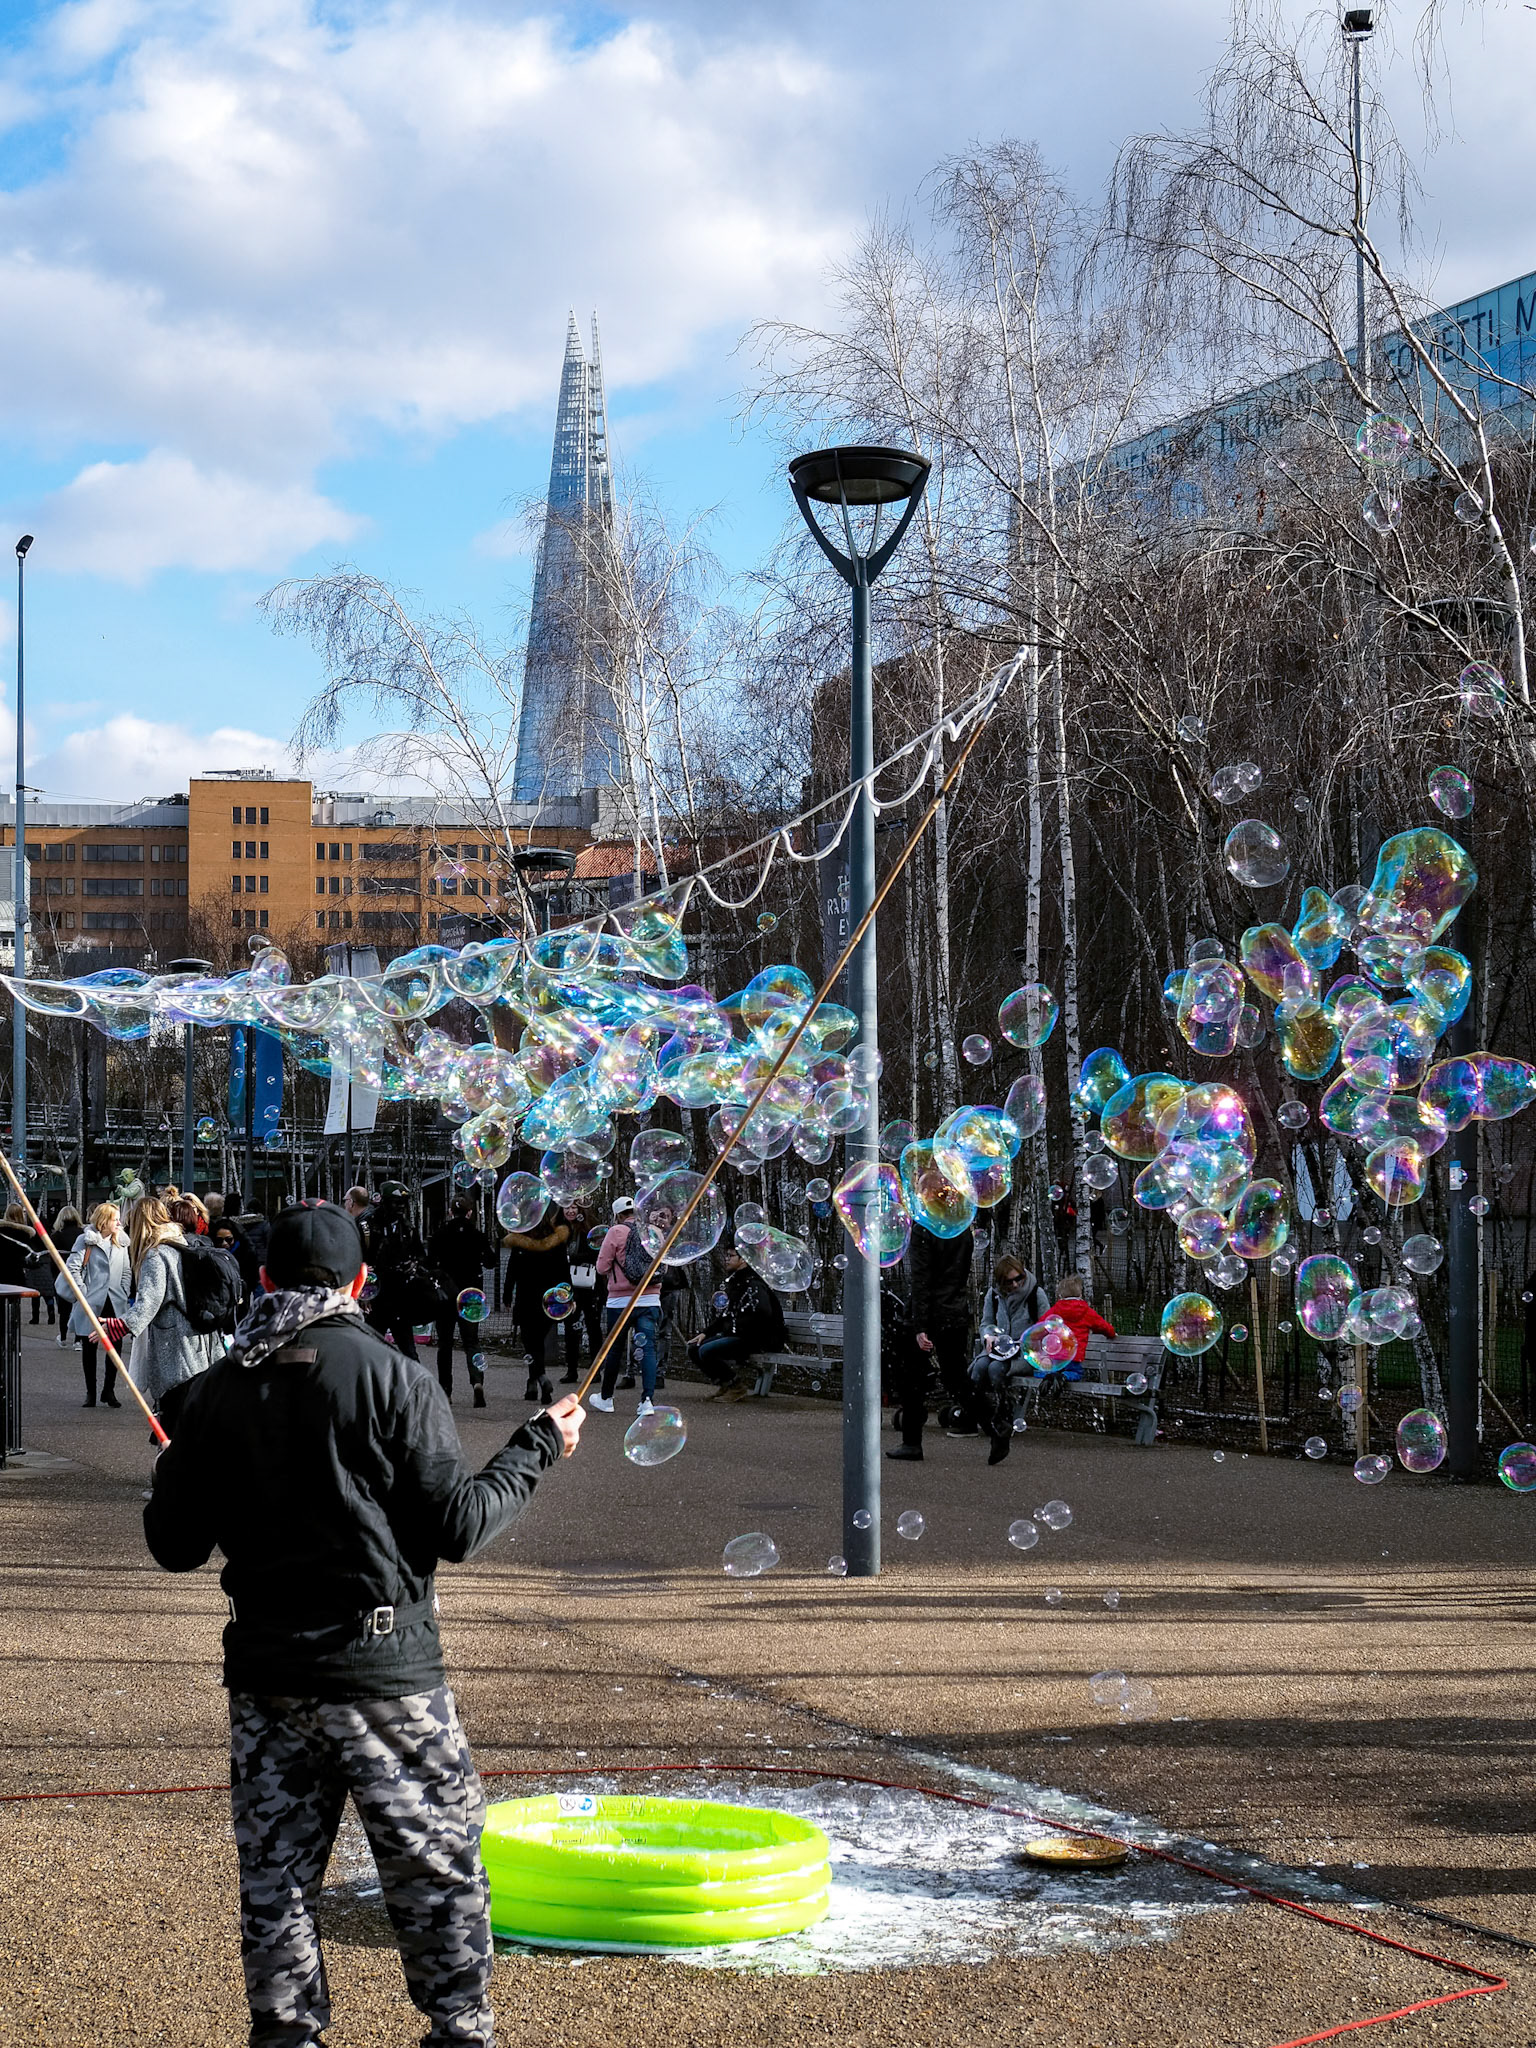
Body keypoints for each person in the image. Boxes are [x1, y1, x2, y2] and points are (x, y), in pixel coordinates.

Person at [142, 1199, 585, 2048]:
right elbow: (457, 1527)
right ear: (357, 1283)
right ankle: (458, 2032)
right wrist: (536, 1445)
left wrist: (175, 1467)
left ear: (264, 1278)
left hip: (269, 1680)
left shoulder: (210, 1393)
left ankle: (287, 2034)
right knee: (436, 1871)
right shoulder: (396, 1377)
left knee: (277, 1881)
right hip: (387, 1678)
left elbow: (174, 1546)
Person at [105, 1194, 219, 1416]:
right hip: (196, 1339)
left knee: (175, 1409)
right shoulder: (182, 1244)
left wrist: (119, 1326)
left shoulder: (156, 1254)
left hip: (175, 1344)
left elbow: (149, 1301)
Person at [888, 1222, 975, 1457]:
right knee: (955, 1376)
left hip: (930, 1314)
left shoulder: (924, 1228)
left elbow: (921, 1280)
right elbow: (957, 1273)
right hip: (954, 1312)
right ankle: (997, 1425)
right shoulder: (961, 1227)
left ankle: (911, 1443)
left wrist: (920, 1326)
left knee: (911, 1379)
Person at [964, 1252, 1055, 1467]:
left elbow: (1047, 1328)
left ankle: (1003, 1420)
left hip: (1026, 1353)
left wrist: (1028, 1341)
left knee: (995, 1370)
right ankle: (987, 1421)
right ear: (1001, 1282)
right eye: (1009, 1281)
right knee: (979, 1369)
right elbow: (986, 1322)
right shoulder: (994, 1296)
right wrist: (989, 1335)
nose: (1015, 1284)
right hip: (999, 1349)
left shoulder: (1036, 1294)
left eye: (1018, 1278)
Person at [592, 1195, 667, 1415]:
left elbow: (601, 1268)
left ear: (617, 1215)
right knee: (648, 1349)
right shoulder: (654, 1232)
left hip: (620, 1301)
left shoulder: (615, 1232)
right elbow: (664, 1268)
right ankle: (647, 1402)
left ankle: (606, 1398)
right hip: (650, 1298)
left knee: (614, 1349)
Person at [685, 1243, 783, 1401]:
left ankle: (736, 1386)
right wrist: (705, 1333)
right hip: (738, 1335)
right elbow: (726, 1314)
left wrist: (735, 1330)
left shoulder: (754, 1284)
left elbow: (763, 1315)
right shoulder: (737, 1282)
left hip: (755, 1339)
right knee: (693, 1349)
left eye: (730, 1256)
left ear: (743, 1259)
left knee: (706, 1351)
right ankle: (726, 1385)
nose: (726, 1259)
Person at [61, 1200, 131, 1408]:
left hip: (115, 1301)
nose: (119, 1223)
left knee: (115, 1347)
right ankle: (90, 1392)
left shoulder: (122, 1241)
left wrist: (125, 1290)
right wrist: (83, 1294)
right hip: (91, 1301)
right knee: (89, 1347)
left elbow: (126, 1270)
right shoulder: (85, 1240)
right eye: (115, 1219)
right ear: (104, 1221)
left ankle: (108, 1390)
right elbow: (72, 1268)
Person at [501, 1201, 570, 1404]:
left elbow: (511, 1272)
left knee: (530, 1343)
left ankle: (539, 1377)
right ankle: (532, 1384)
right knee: (538, 1341)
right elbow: (564, 1271)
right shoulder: (557, 1243)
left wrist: (506, 1296)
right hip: (549, 1301)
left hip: (526, 1299)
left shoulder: (520, 1242)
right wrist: (567, 1294)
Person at [430, 1195, 495, 1406]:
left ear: (450, 1212)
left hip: (446, 1294)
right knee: (471, 1342)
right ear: (470, 1213)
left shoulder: (439, 1235)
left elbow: (430, 1264)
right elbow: (490, 1262)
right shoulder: (477, 1235)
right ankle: (477, 1382)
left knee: (445, 1344)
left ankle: (446, 1391)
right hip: (471, 1294)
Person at [366, 1183, 433, 1361]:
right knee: (371, 1349)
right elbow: (356, 1254)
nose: (401, 1207)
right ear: (386, 1202)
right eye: (397, 1202)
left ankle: (417, 1387)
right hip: (376, 1297)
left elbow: (421, 1257)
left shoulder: (408, 1229)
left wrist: (414, 1265)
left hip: (399, 1297)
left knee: (409, 1351)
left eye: (404, 1203)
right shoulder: (369, 1226)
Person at [558, 1201, 603, 1386]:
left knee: (593, 1328)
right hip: (568, 1286)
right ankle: (572, 1370)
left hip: (590, 1286)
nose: (570, 1210)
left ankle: (595, 1370)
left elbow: (596, 1254)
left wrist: (571, 1258)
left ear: (580, 1210)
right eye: (567, 1207)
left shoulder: (588, 1229)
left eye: (574, 1207)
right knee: (571, 1328)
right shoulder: (559, 1230)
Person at [1048, 1272, 1117, 1362]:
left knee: (1058, 1370)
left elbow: (1042, 1323)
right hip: (1076, 1355)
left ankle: (1058, 1376)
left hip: (1057, 1354)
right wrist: (1111, 1333)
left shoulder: (1055, 1309)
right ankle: (1066, 1377)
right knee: (1075, 1373)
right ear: (1080, 1294)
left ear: (1060, 1295)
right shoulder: (1085, 1311)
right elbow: (1101, 1325)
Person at [48, 1205, 84, 1343]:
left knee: (64, 1310)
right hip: (81, 1275)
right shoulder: (82, 1234)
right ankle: (78, 1340)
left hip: (61, 1275)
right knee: (79, 1308)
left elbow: (53, 1260)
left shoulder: (56, 1236)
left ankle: (63, 1337)